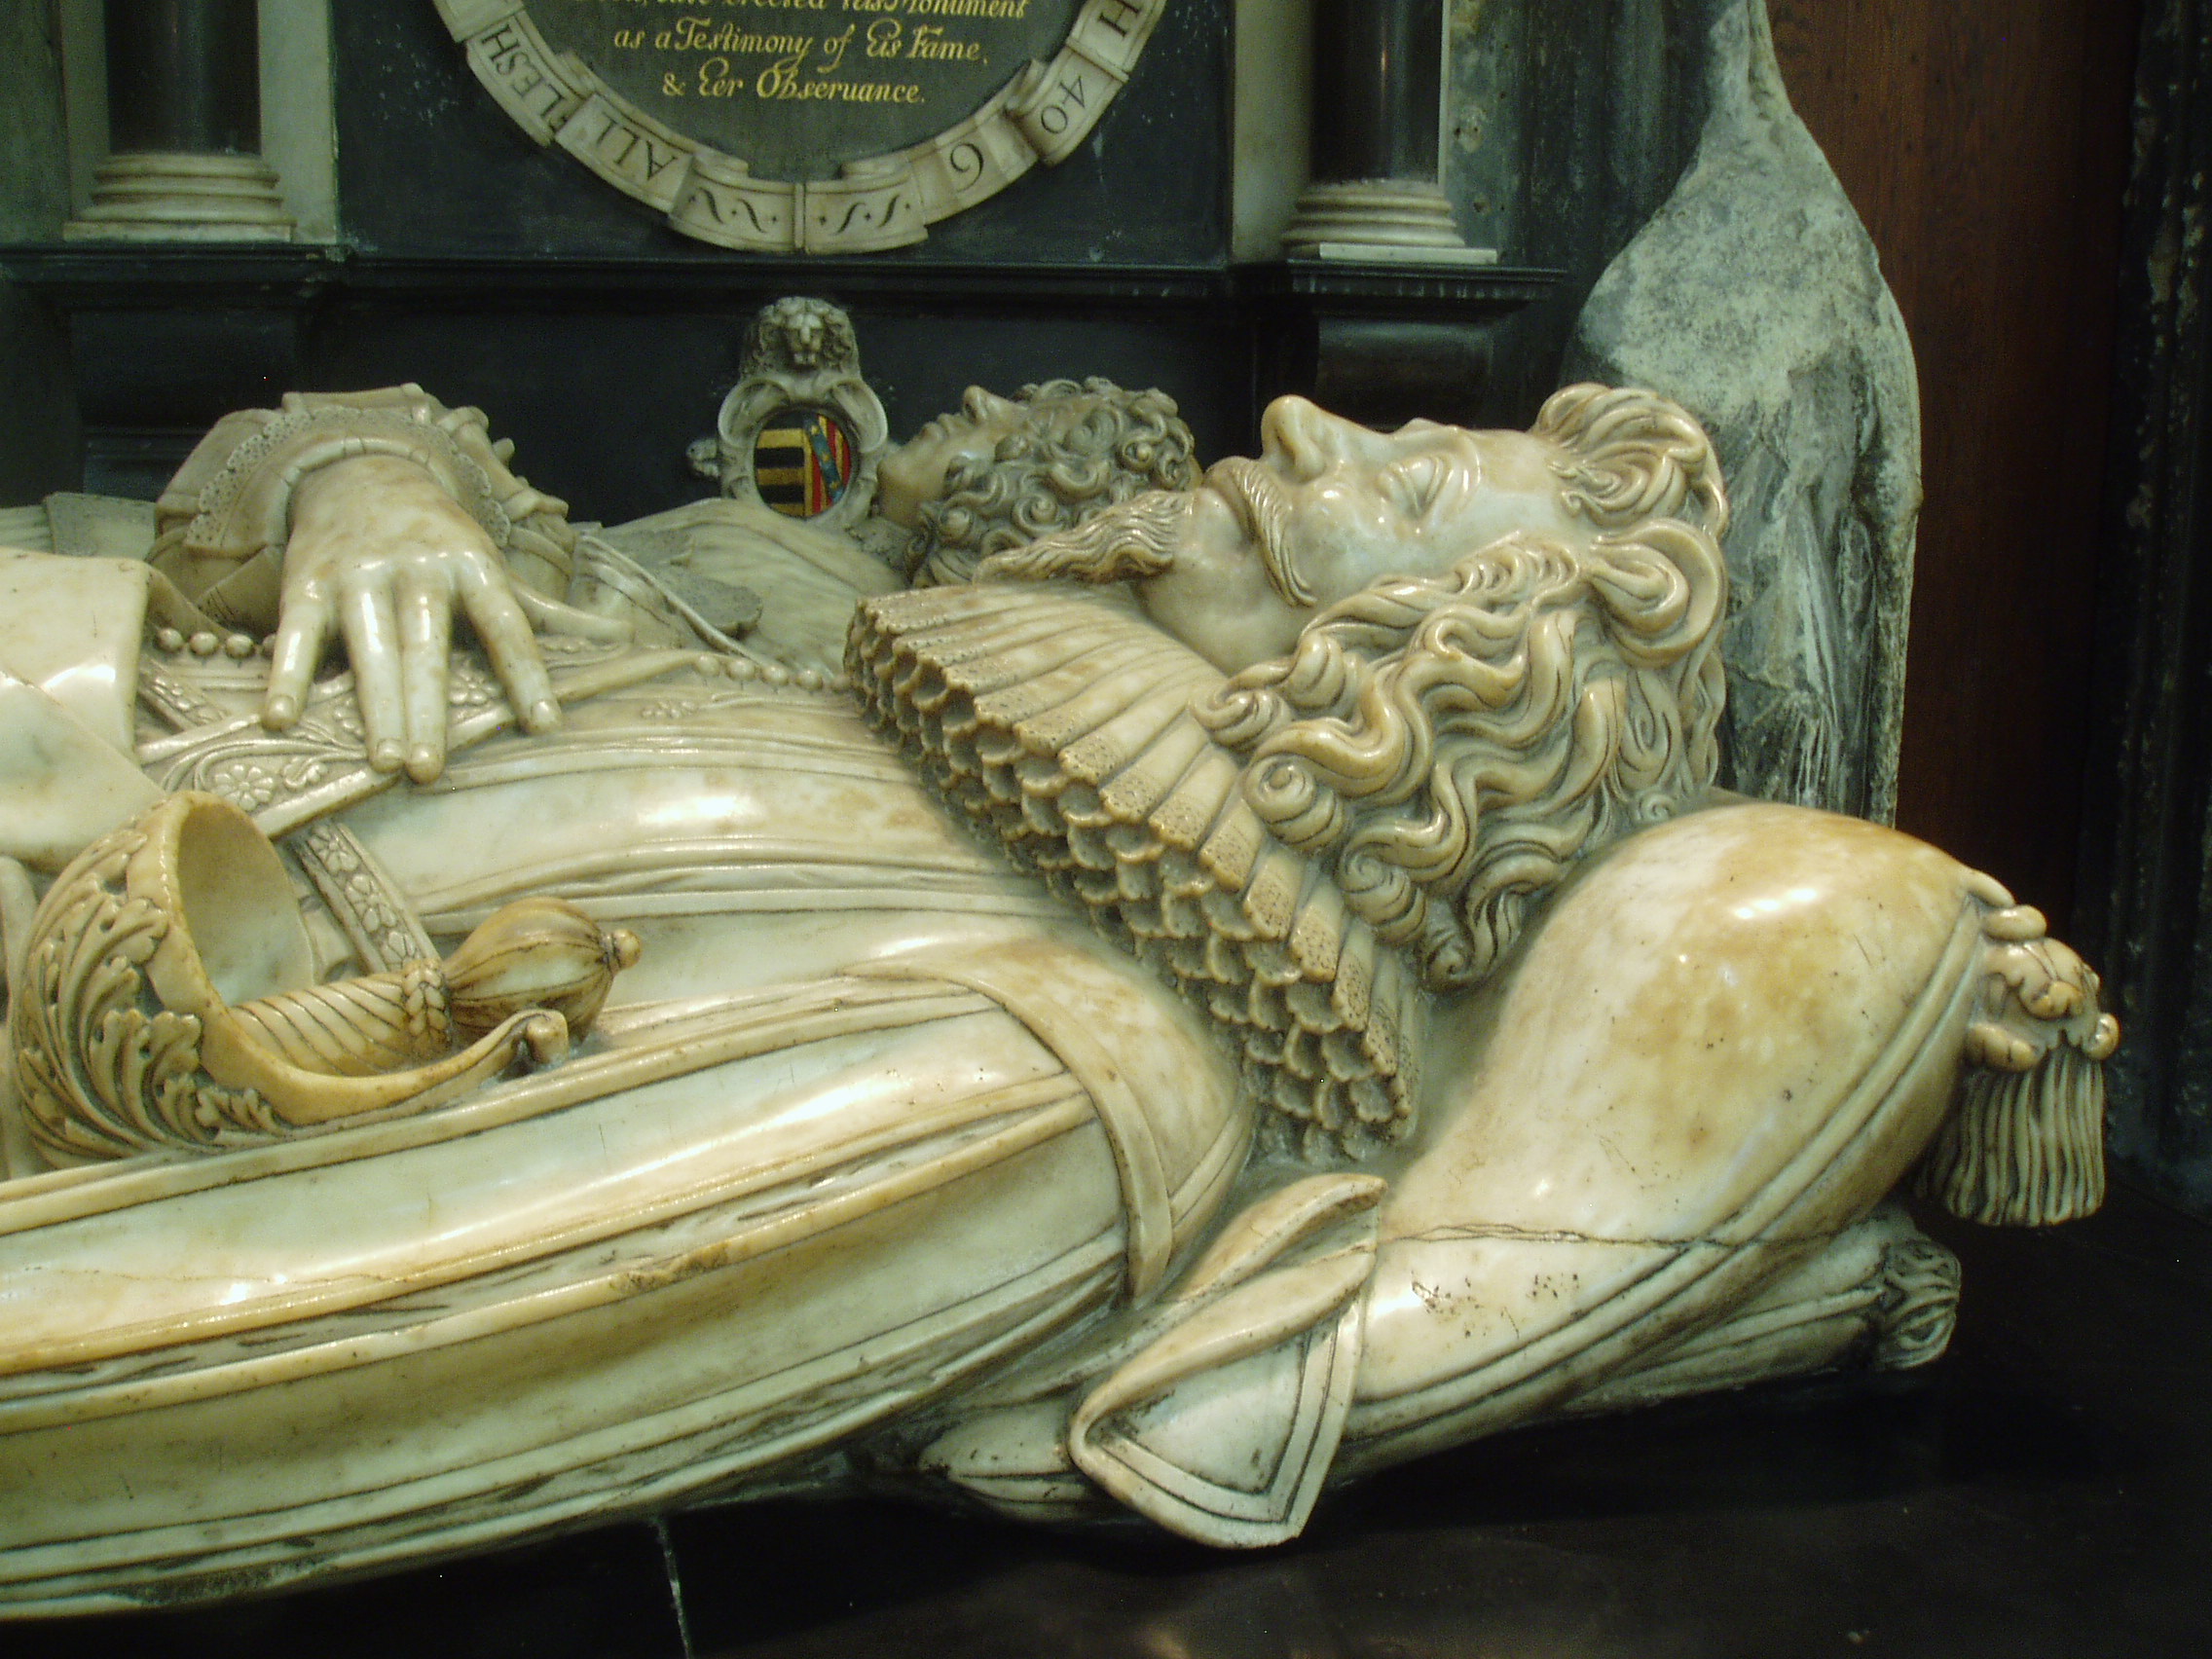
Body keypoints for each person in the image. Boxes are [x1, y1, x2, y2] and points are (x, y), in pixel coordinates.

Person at [0, 383, 2114, 1609]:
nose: (1288, 417)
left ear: (1410, 690)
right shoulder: (837, 622)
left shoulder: (1060, 1074)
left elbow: (261, 1357)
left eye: (1371, 487)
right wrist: (357, 488)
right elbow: (356, 439)